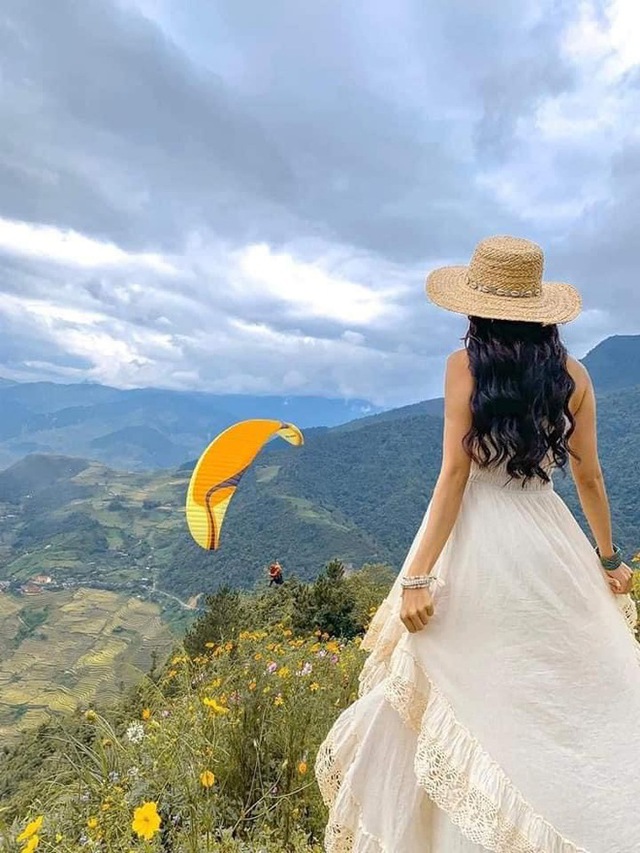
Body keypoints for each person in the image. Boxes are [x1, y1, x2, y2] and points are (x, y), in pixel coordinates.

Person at [314, 235, 640, 852]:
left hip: (473, 543)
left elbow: (455, 475)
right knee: (558, 689)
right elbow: (589, 477)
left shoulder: (464, 367)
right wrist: (608, 559)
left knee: (461, 686)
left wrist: (416, 576)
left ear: (477, 304)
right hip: (547, 539)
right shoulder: (574, 376)